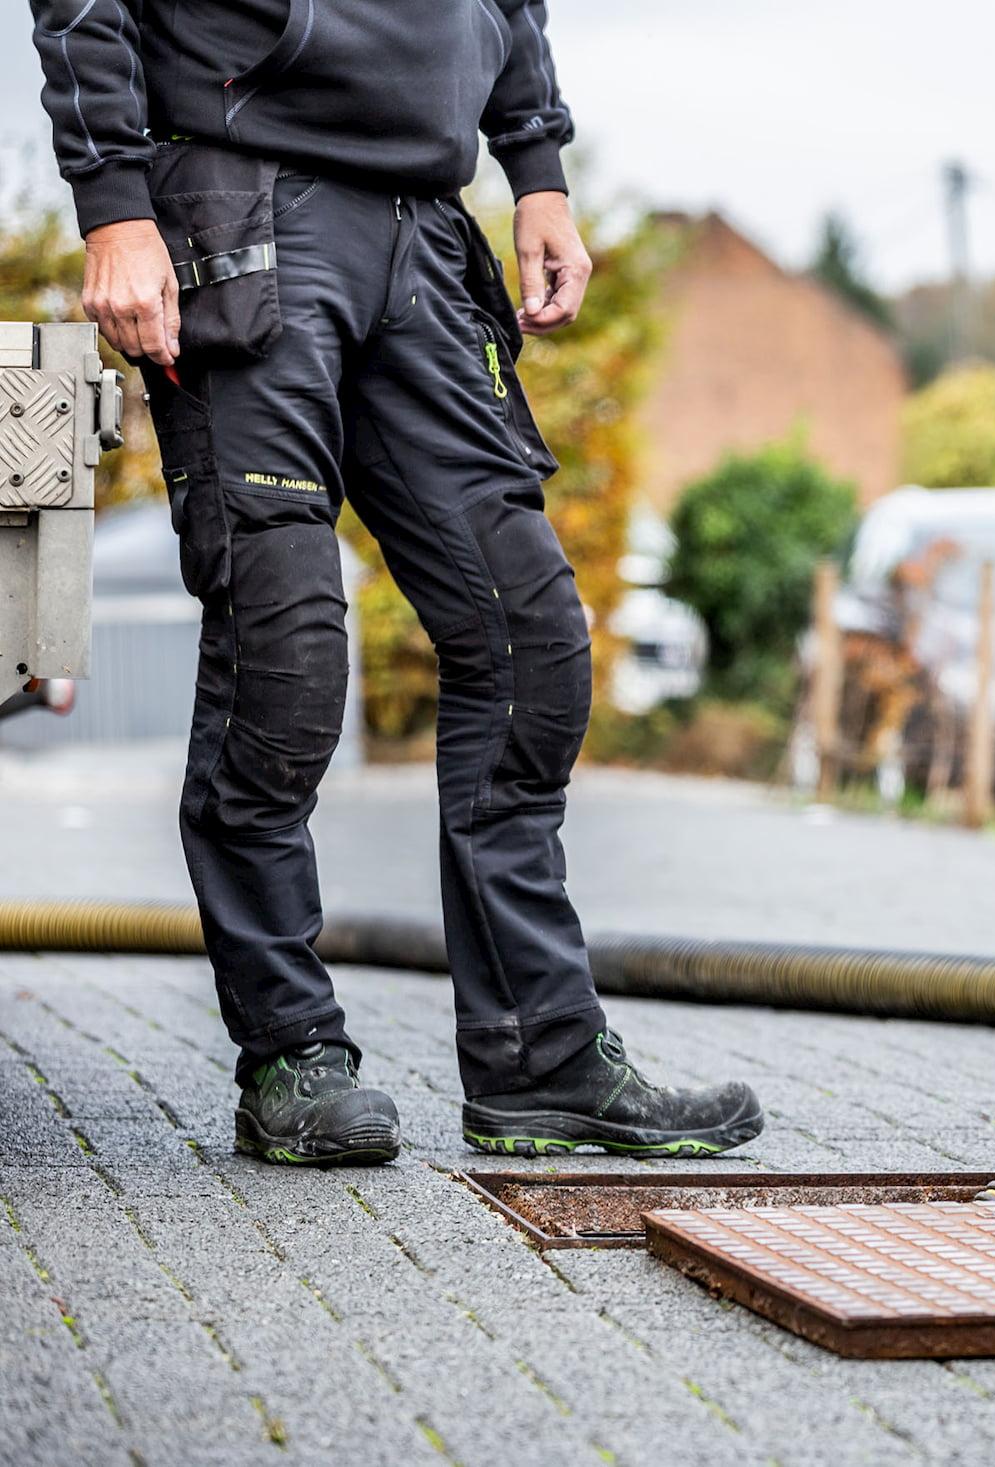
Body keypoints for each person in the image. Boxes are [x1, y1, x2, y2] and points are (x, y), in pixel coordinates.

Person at [26, 1, 762, 1165]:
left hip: (424, 225)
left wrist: (538, 170)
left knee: (531, 642)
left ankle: (541, 1056)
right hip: (239, 194)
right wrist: (115, 207)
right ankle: (290, 1049)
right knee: (289, 655)